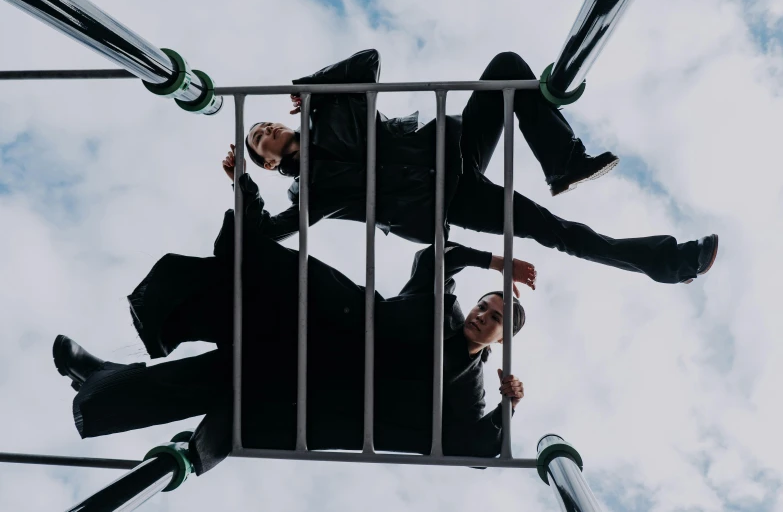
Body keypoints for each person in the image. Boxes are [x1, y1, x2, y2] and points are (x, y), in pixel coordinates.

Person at [52, 174, 533, 476]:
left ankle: (100, 382)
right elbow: (437, 255)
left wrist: (508, 406)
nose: (480, 316)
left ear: (501, 339)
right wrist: (495, 262)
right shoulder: (441, 309)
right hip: (318, 320)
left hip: (318, 387)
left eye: (492, 319)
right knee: (237, 283)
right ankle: (105, 373)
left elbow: (474, 448)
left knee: (214, 381)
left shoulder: (469, 387)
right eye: (482, 306)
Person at [224, 49, 719, 285]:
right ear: (269, 163)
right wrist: (239, 184)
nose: (266, 130)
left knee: (506, 67)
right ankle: (666, 262)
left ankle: (564, 164)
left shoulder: (331, 110)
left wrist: (311, 85)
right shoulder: (309, 192)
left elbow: (370, 61)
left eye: (265, 123)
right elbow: (267, 232)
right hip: (450, 200)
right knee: (557, 231)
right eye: (258, 139)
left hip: (451, 149)